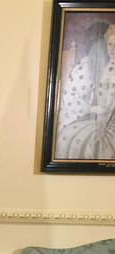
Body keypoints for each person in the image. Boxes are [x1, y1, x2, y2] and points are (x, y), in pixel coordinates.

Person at [55, 23, 115, 159]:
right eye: (109, 44)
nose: (112, 49)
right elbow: (70, 99)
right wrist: (94, 109)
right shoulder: (91, 67)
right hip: (89, 119)